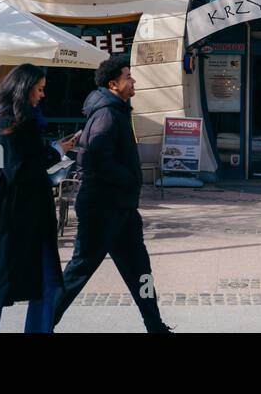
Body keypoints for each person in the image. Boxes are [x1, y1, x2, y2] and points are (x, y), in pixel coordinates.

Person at [52, 54, 172, 333]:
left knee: (140, 270)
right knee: (79, 271)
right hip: (103, 208)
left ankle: (155, 326)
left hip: (121, 209)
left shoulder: (115, 110)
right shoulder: (107, 113)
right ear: (113, 84)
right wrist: (128, 179)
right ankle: (42, 323)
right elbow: (93, 157)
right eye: (128, 77)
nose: (133, 81)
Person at [0, 64, 76, 333]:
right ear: (25, 88)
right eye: (39, 89)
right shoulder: (8, 124)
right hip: (8, 216)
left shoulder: (10, 121)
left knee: (46, 283)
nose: (42, 95)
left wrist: (53, 150)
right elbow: (18, 170)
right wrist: (54, 153)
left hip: (23, 215)